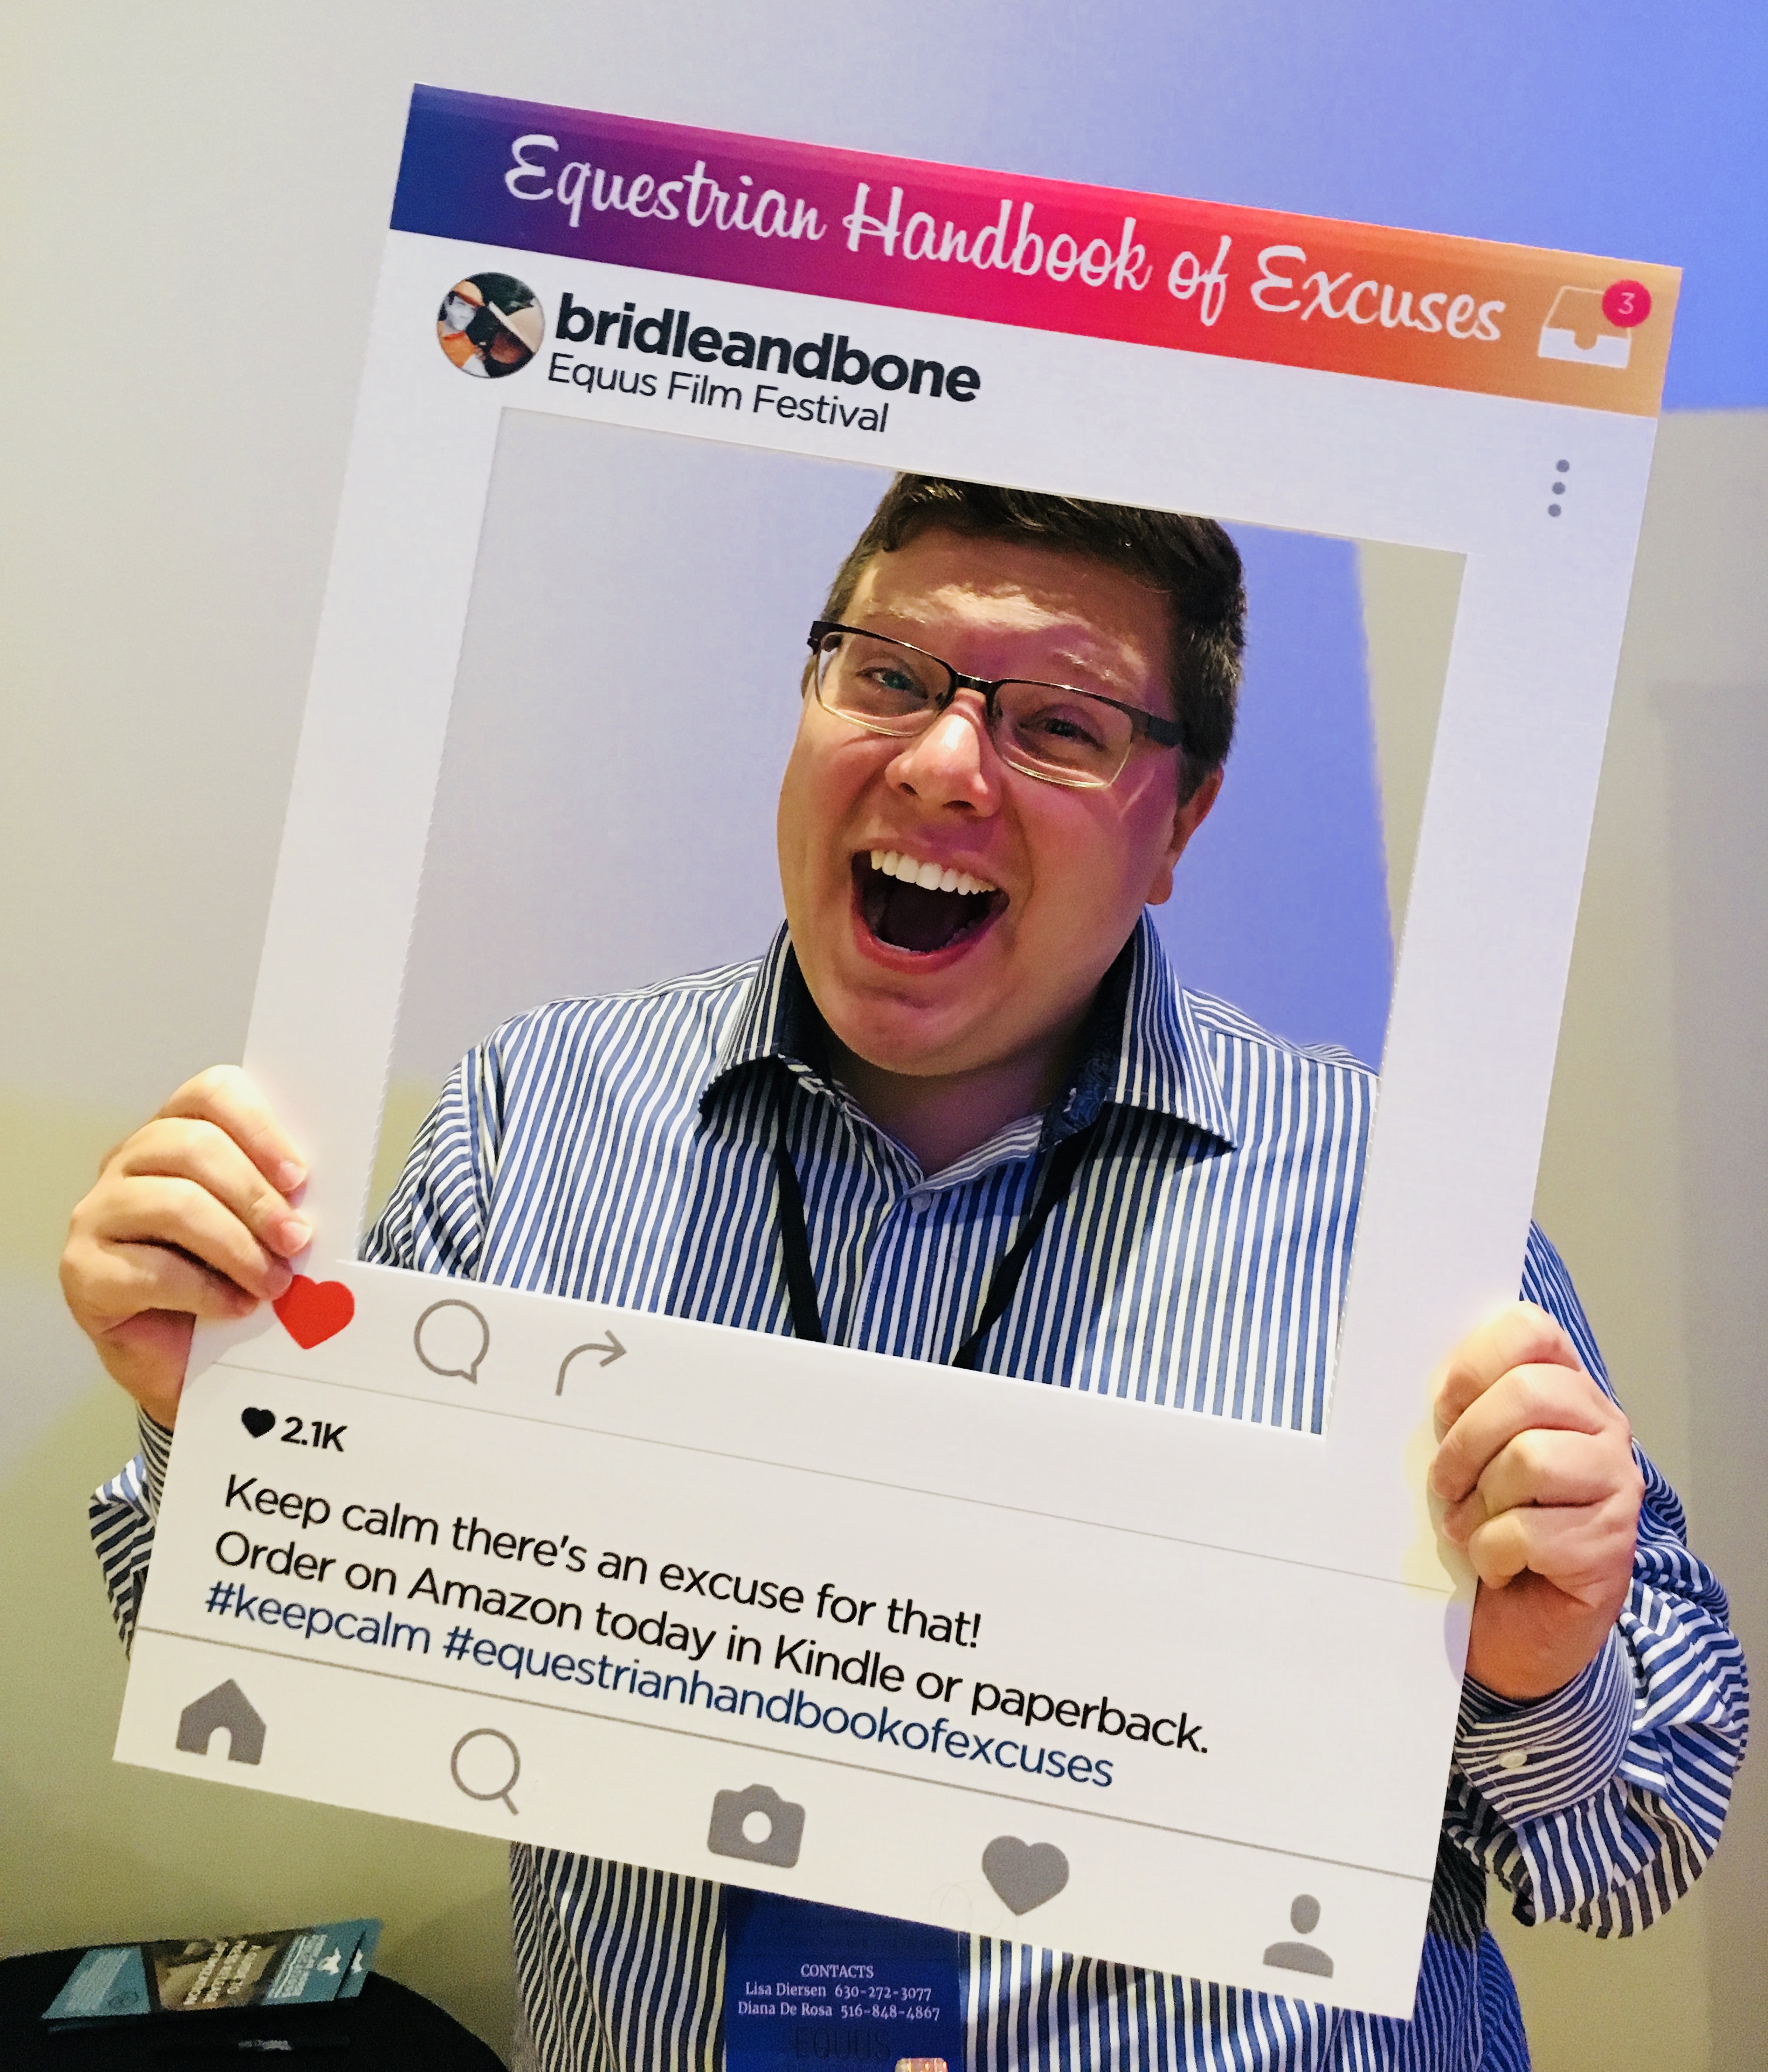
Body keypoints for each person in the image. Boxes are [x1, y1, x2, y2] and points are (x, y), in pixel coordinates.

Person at [62, 476, 1746, 2071]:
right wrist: (214, 1415)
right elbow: (279, 1667)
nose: (944, 764)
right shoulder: (537, 1119)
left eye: (1061, 726)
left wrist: (1537, 1674)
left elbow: (1639, 1848)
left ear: (1180, 820)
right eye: (888, 677)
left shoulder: (1393, 1212)